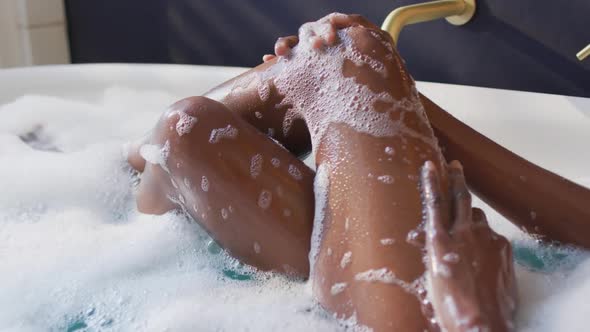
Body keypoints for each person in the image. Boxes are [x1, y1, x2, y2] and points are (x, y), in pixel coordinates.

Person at [127, 13, 587, 331]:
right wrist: (388, 88)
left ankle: (134, 159)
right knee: (185, 133)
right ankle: (139, 156)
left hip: (427, 318)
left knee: (347, 52)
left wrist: (474, 314)